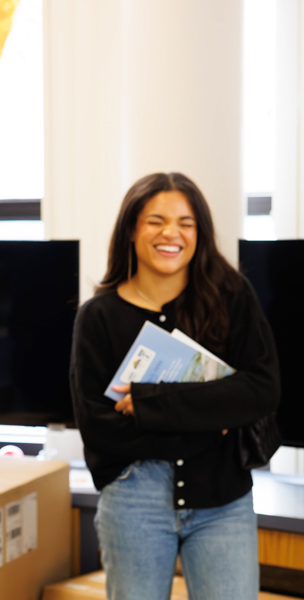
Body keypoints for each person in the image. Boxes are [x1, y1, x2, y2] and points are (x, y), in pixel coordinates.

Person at [70, 172, 280, 600]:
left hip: (223, 499)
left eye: (186, 223)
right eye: (156, 221)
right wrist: (210, 418)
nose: (172, 233)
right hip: (133, 498)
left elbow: (261, 390)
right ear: (131, 229)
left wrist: (149, 403)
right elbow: (98, 427)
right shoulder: (98, 316)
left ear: (199, 233)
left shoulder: (232, 297)